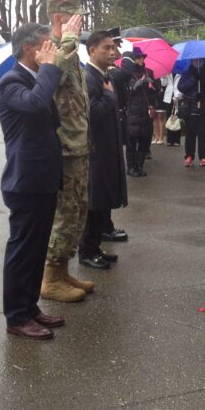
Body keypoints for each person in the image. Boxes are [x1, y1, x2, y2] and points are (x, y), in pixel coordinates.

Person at [0, 23, 66, 339]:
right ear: (29, 49)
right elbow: (36, 104)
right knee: (22, 250)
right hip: (24, 180)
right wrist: (49, 69)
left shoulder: (35, 79)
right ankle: (16, 316)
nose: (51, 50)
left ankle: (30, 307)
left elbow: (51, 116)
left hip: (42, 178)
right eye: (47, 45)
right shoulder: (11, 82)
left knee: (37, 248)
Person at [40, 0, 96, 304]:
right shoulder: (53, 48)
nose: (82, 22)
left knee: (78, 210)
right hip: (64, 147)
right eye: (77, 18)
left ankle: (62, 270)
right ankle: (50, 277)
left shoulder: (70, 51)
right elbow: (51, 76)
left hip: (78, 144)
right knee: (65, 213)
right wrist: (68, 39)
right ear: (61, 18)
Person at [79, 31, 127, 269]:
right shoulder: (89, 77)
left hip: (106, 148)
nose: (112, 52)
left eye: (113, 48)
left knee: (102, 201)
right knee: (94, 202)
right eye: (106, 48)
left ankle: (96, 246)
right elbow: (92, 113)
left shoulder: (103, 76)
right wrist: (108, 98)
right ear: (91, 51)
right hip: (96, 151)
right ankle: (87, 251)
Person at [121, 49, 156, 177]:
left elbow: (156, 93)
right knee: (131, 142)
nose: (141, 59)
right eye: (138, 57)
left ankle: (139, 166)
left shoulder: (149, 72)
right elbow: (123, 94)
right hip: (132, 113)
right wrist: (133, 87)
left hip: (145, 113)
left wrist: (152, 84)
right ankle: (131, 168)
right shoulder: (127, 74)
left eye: (142, 57)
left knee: (144, 141)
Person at [177, 58, 205, 167]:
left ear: (204, 62)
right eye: (195, 61)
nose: (198, 63)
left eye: (200, 61)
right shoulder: (186, 74)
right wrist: (193, 79)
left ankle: (203, 157)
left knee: (203, 134)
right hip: (190, 109)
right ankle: (189, 156)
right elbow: (181, 87)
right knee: (190, 134)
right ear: (191, 62)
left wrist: (204, 93)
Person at [161, 73, 182, 146]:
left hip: (178, 97)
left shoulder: (180, 72)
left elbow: (182, 85)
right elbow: (163, 84)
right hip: (168, 97)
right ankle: (169, 140)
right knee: (169, 118)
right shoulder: (167, 72)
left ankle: (177, 140)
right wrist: (163, 76)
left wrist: (177, 96)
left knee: (177, 118)